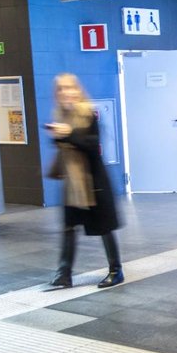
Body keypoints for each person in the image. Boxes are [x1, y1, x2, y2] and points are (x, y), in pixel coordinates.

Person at [45, 73, 124, 289]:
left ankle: (116, 270)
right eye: (61, 88)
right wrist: (57, 136)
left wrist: (68, 134)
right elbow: (63, 149)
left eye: (69, 87)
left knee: (104, 227)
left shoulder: (89, 114)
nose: (65, 92)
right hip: (72, 184)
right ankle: (64, 273)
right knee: (69, 227)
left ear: (78, 90)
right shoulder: (60, 115)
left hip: (92, 182)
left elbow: (92, 145)